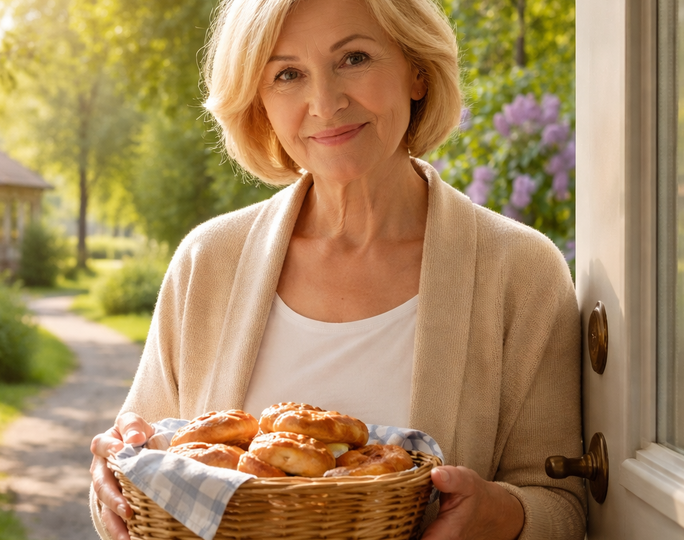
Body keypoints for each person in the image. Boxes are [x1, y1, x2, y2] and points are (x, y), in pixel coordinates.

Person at [89, 0, 585, 538]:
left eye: (354, 58)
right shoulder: (208, 262)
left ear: (417, 72)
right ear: (260, 103)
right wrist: (110, 489)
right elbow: (141, 475)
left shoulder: (521, 271)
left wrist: (499, 514)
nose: (325, 103)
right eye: (287, 74)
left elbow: (564, 505)